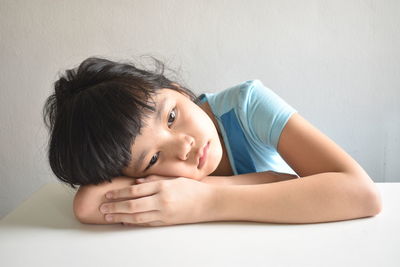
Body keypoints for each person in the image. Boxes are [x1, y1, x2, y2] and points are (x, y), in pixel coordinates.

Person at [43, 56, 382, 227]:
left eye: (172, 116)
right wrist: (258, 183)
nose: (184, 146)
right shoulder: (149, 166)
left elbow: (361, 194)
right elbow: (87, 204)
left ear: (175, 89)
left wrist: (206, 200)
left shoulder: (248, 105)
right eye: (153, 159)